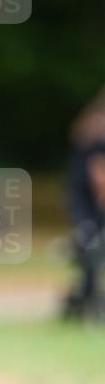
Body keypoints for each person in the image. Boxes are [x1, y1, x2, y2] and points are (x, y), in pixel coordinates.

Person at [62, 85, 105, 321]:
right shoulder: (98, 131)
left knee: (90, 251)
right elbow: (100, 178)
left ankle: (84, 300)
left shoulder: (90, 125)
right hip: (90, 205)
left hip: (81, 203)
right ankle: (86, 303)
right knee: (92, 250)